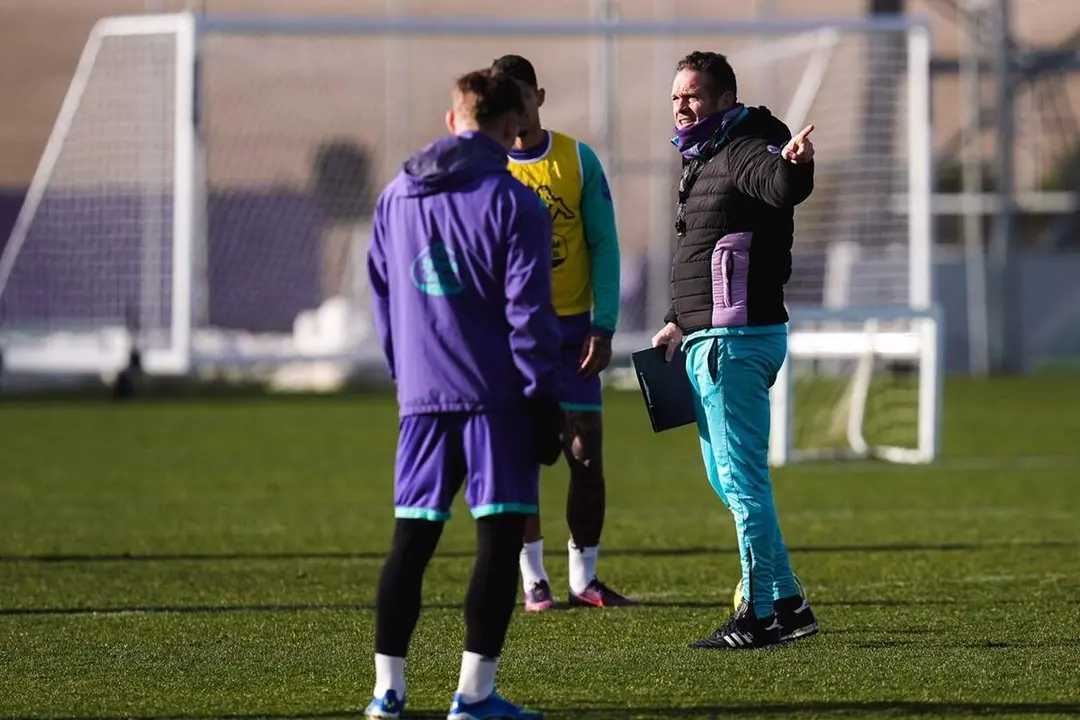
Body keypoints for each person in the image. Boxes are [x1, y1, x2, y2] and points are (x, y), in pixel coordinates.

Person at [364, 68, 561, 720]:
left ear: (454, 119)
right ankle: (474, 698)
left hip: (421, 400)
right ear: (513, 128)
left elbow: (383, 293)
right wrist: (543, 396)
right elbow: (527, 313)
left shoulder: (395, 195)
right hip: (494, 399)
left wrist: (407, 373)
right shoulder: (514, 202)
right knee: (498, 544)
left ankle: (386, 696)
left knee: (410, 543)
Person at [650, 51, 821, 650]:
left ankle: (756, 613)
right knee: (729, 482)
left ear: (724, 99)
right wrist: (677, 321)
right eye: (675, 96)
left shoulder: (745, 146)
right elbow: (704, 249)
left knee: (743, 484)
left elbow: (777, 183)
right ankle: (790, 603)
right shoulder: (707, 155)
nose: (681, 105)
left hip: (735, 340)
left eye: (692, 95)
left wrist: (796, 166)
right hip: (713, 335)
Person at [490, 54, 636, 611]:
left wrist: (604, 324)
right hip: (512, 338)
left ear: (539, 97)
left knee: (586, 453)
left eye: (522, 97)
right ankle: (534, 581)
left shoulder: (577, 159)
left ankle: (584, 579)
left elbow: (604, 244)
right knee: (522, 457)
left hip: (575, 332)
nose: (516, 110)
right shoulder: (486, 167)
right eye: (504, 101)